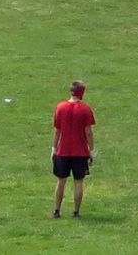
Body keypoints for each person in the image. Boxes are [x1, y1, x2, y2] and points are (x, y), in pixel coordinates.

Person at [50, 80, 96, 219]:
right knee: (78, 181)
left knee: (61, 181)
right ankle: (76, 212)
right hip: (80, 152)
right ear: (82, 92)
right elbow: (88, 132)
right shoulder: (85, 109)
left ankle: (57, 210)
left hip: (63, 151)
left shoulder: (60, 107)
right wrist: (91, 150)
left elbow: (57, 131)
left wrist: (54, 148)